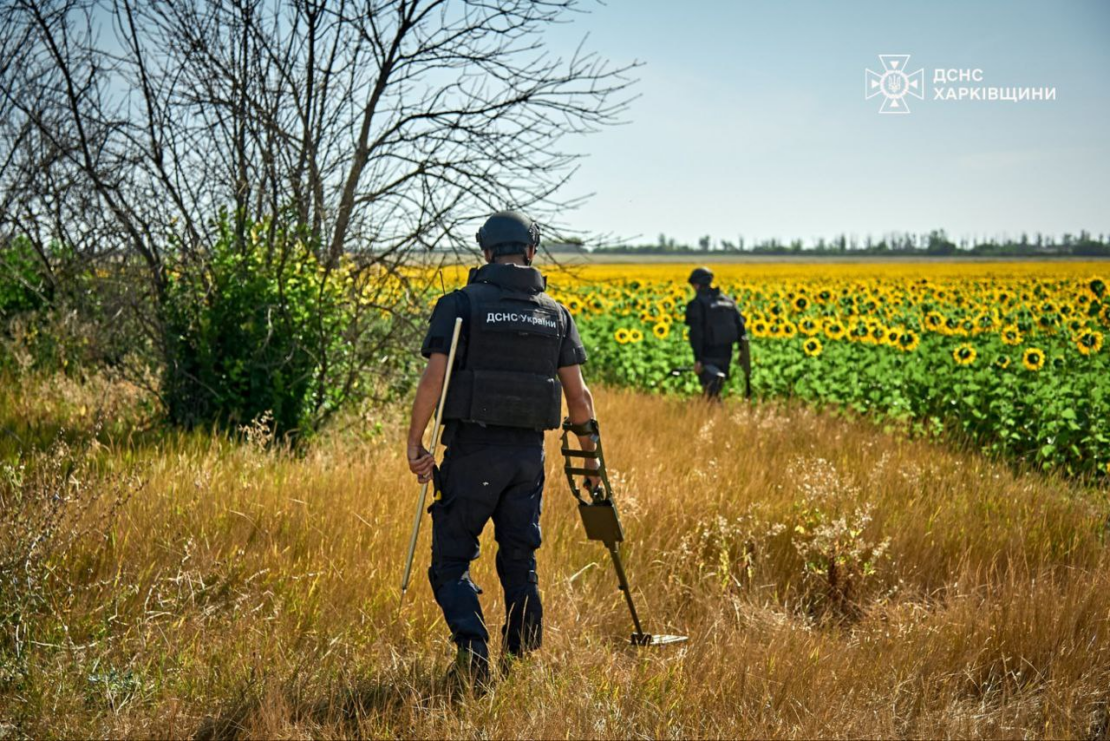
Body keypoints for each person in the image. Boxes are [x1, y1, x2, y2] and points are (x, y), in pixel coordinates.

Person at [406, 210, 601, 689]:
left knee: (451, 559)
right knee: (519, 557)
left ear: (486, 251)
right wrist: (592, 461)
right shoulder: (556, 313)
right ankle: (519, 659)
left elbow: (435, 377)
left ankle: (473, 651)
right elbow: (579, 398)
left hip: (473, 452)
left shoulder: (460, 305)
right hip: (525, 460)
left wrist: (415, 441)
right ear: (531, 251)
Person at [683, 266, 751, 400]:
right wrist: (742, 351)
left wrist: (698, 359)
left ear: (696, 285)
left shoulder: (697, 304)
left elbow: (696, 334)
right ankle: (716, 417)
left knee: (710, 392)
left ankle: (713, 418)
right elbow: (741, 328)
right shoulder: (728, 301)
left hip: (707, 355)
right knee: (717, 388)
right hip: (726, 354)